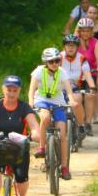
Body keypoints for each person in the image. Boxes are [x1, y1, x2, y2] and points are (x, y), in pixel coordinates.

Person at [29, 47, 77, 179]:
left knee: (62, 134)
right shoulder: (39, 71)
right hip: (42, 101)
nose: (54, 63)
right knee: (45, 118)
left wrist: (72, 100)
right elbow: (31, 89)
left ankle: (64, 167)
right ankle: (42, 147)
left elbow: (68, 90)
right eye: (51, 61)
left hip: (58, 103)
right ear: (46, 62)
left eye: (57, 60)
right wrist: (30, 102)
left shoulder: (62, 72)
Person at [60, 34, 96, 138]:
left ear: (77, 47)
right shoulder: (59, 57)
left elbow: (87, 74)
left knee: (76, 100)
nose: (70, 48)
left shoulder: (82, 59)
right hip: (59, 89)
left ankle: (81, 126)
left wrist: (92, 87)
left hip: (75, 88)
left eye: (73, 45)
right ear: (64, 46)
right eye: (68, 45)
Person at [75, 17, 98, 132]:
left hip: (91, 73)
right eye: (83, 30)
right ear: (79, 31)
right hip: (77, 74)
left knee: (89, 95)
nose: (85, 33)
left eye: (88, 31)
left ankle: (88, 123)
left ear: (91, 31)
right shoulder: (74, 42)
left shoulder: (95, 42)